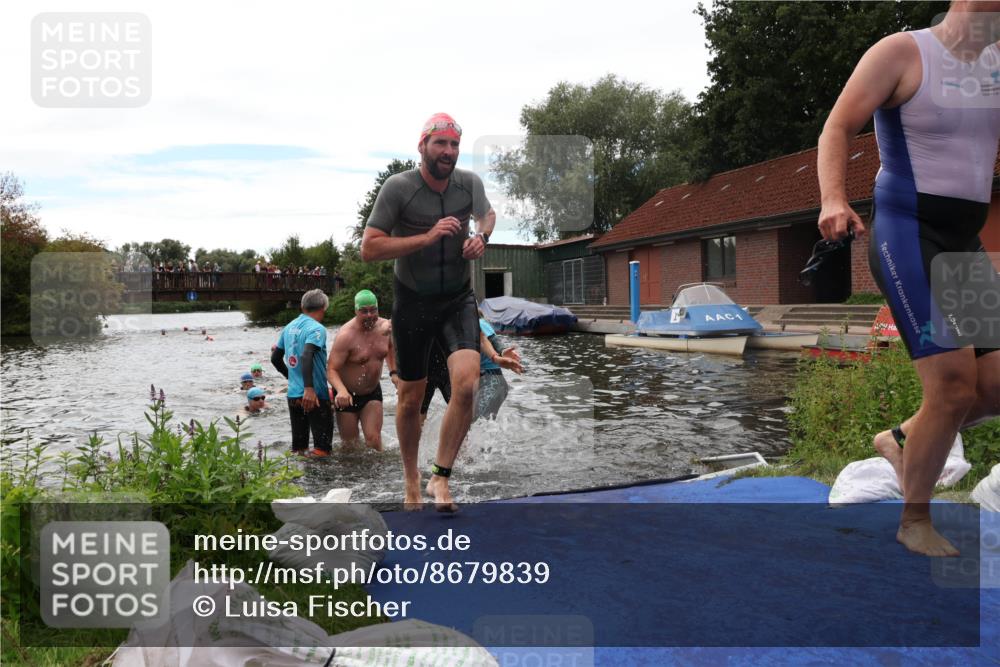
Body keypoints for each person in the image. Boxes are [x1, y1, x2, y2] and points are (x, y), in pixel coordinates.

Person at [817, 1, 1000, 556]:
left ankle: (901, 438)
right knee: (950, 384)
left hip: (964, 241)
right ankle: (914, 518)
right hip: (908, 231)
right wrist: (832, 197)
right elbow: (838, 125)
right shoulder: (903, 52)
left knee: (992, 384)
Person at [361, 112, 496, 511]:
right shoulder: (398, 188)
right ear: (422, 146)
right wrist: (427, 236)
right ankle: (410, 482)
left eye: (455, 144)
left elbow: (487, 214)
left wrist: (481, 237)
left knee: (468, 385)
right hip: (413, 300)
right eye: (441, 144)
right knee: (409, 398)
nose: (449, 152)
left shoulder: (469, 184)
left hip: (457, 297)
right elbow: (369, 248)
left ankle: (441, 476)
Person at [326, 290, 396, 451]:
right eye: (364, 311)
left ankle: (379, 475)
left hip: (372, 392)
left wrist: (394, 373)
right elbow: (331, 369)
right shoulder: (346, 336)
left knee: (374, 440)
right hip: (347, 396)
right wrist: (342, 391)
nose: (370, 315)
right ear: (356, 311)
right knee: (350, 447)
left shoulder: (386, 328)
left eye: (373, 310)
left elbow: (389, 349)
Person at [421, 316, 524, 424]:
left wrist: (502, 351)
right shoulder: (456, 328)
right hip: (481, 380)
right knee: (469, 423)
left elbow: (493, 340)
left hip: (493, 382)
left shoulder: (478, 323)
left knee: (475, 424)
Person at [270, 289, 334, 456]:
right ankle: (319, 482)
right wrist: (309, 388)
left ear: (303, 306)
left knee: (299, 450)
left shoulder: (289, 327)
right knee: (322, 450)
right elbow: (307, 355)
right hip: (315, 395)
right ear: (323, 307)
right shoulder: (317, 329)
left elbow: (275, 358)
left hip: (294, 395)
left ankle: (298, 481)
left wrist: (292, 379)